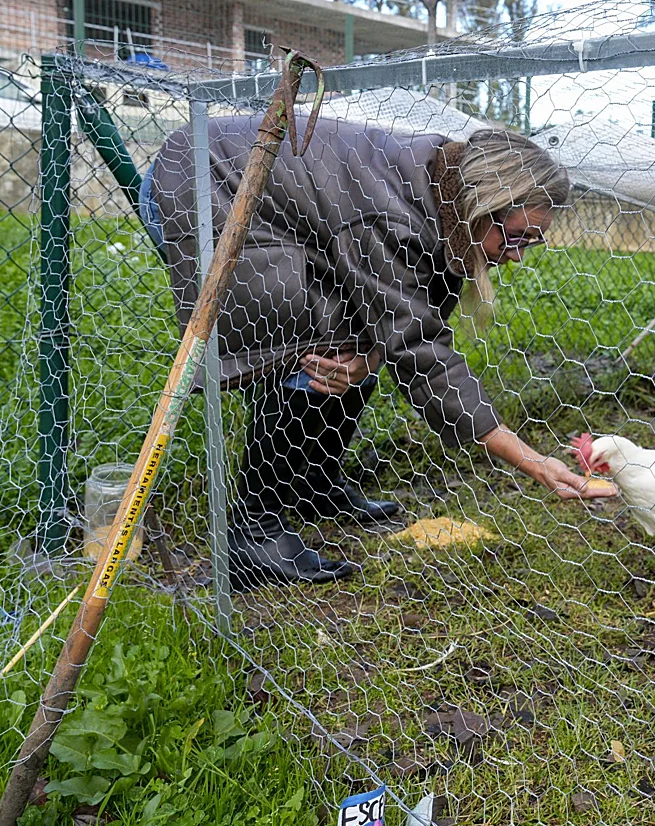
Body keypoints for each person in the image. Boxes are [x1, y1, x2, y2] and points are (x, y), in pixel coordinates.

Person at [144, 120, 616, 592]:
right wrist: (533, 462)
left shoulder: (443, 196)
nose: (516, 255)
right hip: (205, 184)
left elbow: (408, 314)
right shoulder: (392, 215)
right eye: (515, 237)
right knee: (323, 337)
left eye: (531, 241)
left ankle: (313, 482)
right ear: (483, 206)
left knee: (355, 335)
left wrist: (370, 358)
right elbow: (417, 348)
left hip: (265, 198)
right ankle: (254, 528)